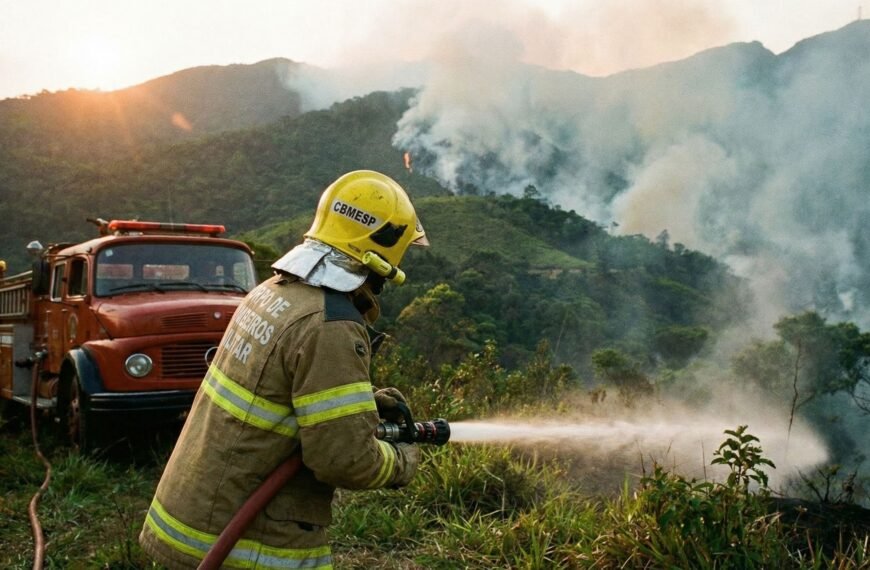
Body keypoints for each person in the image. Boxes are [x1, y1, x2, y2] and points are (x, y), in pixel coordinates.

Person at [140, 170, 429, 569]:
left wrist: (358, 406)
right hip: (249, 546)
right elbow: (345, 459)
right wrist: (403, 459)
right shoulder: (331, 325)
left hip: (190, 519)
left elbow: (279, 392)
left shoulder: (272, 293)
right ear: (381, 252)